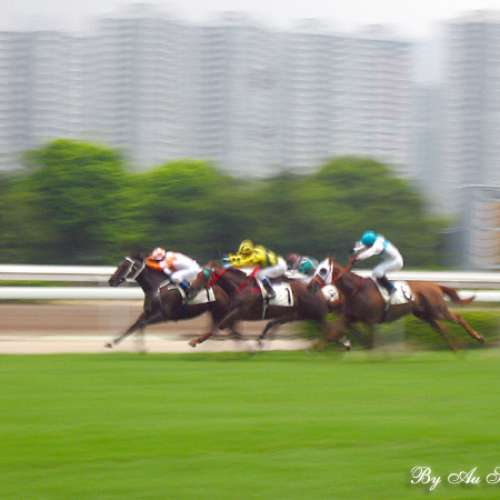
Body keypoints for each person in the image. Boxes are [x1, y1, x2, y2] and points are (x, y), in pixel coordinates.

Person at [351, 230, 403, 295]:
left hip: (396, 262)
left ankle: (391, 288)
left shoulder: (378, 246)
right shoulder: (376, 239)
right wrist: (354, 250)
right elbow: (363, 245)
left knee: (377, 272)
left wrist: (357, 258)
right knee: (376, 273)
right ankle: (384, 285)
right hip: (390, 260)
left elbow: (368, 253)